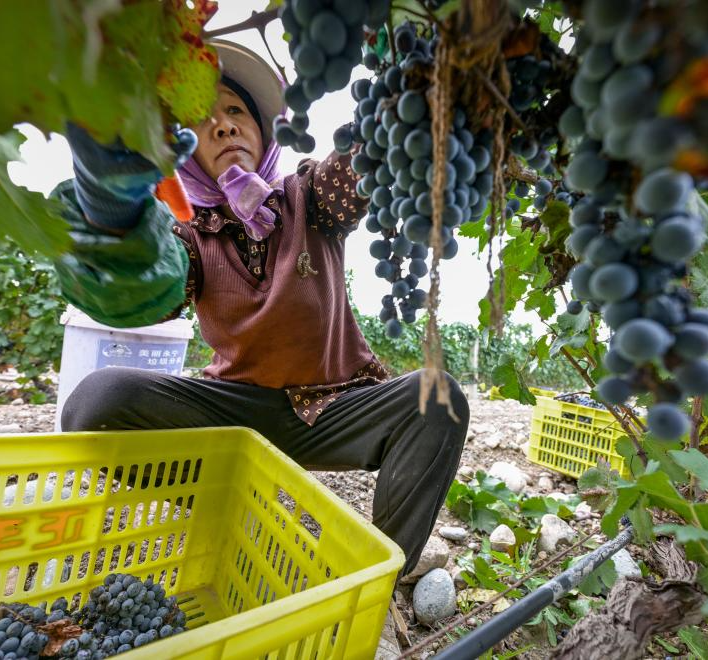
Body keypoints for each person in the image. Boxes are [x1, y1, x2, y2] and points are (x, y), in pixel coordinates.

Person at [53, 39, 469, 580]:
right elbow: (151, 285)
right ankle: (235, 514)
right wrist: (110, 211)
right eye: (204, 121)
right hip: (234, 414)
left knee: (437, 400)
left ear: (265, 131)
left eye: (235, 112)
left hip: (333, 410)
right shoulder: (189, 238)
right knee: (95, 401)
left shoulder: (310, 196)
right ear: (187, 151)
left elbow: (368, 163)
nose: (223, 126)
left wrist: (416, 80)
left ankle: (371, 576)